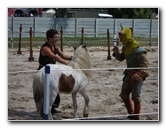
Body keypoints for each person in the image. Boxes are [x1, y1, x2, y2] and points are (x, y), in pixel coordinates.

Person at [112, 27, 149, 120]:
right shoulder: (126, 48)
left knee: (136, 96)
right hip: (128, 74)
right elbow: (121, 58)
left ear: (127, 37)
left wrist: (138, 75)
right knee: (124, 95)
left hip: (137, 76)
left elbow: (145, 66)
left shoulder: (138, 50)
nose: (120, 39)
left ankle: (136, 117)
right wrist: (116, 52)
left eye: (122, 37)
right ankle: (131, 114)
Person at [37, 29, 72, 113]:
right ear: (49, 38)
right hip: (44, 71)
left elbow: (63, 55)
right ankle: (44, 109)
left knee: (55, 91)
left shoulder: (55, 47)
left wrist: (73, 58)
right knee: (45, 92)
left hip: (52, 71)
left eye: (57, 37)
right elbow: (55, 57)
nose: (57, 38)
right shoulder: (45, 48)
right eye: (55, 37)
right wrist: (68, 64)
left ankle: (52, 109)